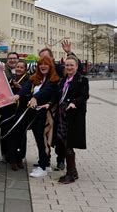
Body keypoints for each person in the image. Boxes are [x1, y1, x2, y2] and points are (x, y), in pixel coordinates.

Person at [11, 56, 60, 178]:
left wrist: (35, 97)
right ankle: (43, 164)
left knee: (41, 140)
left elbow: (46, 91)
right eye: (40, 64)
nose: (43, 66)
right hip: (34, 114)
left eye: (46, 64)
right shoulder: (35, 78)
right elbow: (26, 88)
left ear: (50, 66)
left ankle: (43, 167)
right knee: (37, 139)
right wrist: (18, 96)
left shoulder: (53, 80)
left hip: (45, 114)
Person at [51, 55, 89, 184]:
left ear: (77, 66)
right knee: (63, 143)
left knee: (69, 144)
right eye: (67, 65)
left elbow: (84, 95)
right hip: (62, 115)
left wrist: (74, 102)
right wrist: (49, 104)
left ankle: (70, 174)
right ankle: (73, 171)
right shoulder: (63, 80)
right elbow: (57, 96)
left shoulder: (82, 80)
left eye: (72, 65)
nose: (69, 67)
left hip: (73, 116)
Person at [2, 59, 29, 170]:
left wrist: (20, 88)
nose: (19, 69)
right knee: (11, 135)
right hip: (10, 111)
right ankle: (12, 159)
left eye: (21, 67)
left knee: (21, 136)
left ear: (25, 69)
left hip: (22, 111)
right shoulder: (11, 79)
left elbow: (29, 92)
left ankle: (20, 158)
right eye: (17, 67)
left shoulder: (28, 79)